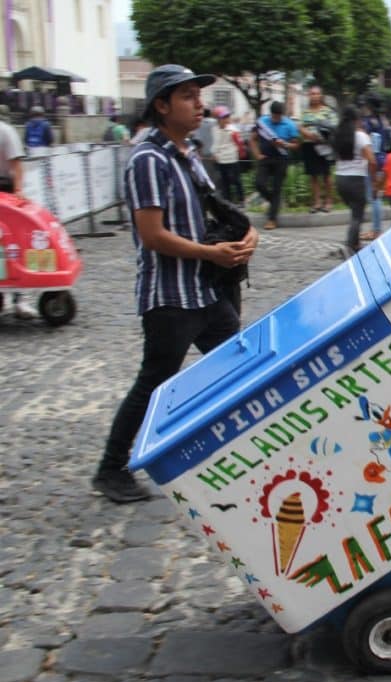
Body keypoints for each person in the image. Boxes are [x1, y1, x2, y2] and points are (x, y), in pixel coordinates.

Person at [93, 64, 259, 503]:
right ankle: (111, 468)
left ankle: (233, 453)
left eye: (197, 95)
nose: (198, 103)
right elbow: (152, 235)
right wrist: (211, 253)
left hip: (205, 292)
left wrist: (246, 235)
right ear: (161, 106)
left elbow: (214, 212)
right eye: (186, 96)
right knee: (155, 381)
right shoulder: (148, 160)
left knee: (236, 368)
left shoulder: (188, 155)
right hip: (169, 298)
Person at [0, 107, 37, 319]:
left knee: (13, 244)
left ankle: (19, 299)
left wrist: (18, 192)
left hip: (6, 189)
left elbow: (17, 165)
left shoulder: (5, 131)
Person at [333, 106, 377, 255]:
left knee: (354, 212)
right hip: (356, 179)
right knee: (357, 215)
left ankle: (355, 243)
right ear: (357, 120)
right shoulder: (360, 136)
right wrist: (374, 181)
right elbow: (372, 160)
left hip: (340, 178)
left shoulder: (338, 135)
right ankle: (350, 246)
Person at [251, 101, 300, 230]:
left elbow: (296, 144)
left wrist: (285, 145)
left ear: (282, 114)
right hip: (265, 158)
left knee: (277, 187)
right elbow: (252, 139)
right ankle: (274, 202)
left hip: (281, 158)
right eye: (274, 116)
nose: (276, 118)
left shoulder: (289, 124)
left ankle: (272, 219)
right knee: (259, 183)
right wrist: (257, 155)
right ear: (271, 113)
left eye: (279, 116)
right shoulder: (262, 122)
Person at [299, 85, 338, 213]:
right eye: (311, 94)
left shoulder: (327, 111)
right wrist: (308, 134)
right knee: (313, 176)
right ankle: (316, 202)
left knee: (326, 175)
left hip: (324, 146)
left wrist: (323, 136)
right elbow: (300, 126)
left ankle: (328, 202)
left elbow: (334, 126)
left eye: (316, 94)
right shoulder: (305, 112)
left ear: (321, 96)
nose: (314, 96)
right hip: (309, 145)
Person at [362, 95, 391, 235]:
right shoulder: (384, 122)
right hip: (383, 159)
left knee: (373, 196)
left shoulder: (368, 123)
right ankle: (376, 228)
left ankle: (376, 230)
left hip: (372, 161)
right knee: (377, 195)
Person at [212, 106, 244, 203]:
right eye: (223, 117)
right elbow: (215, 143)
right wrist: (214, 153)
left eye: (227, 116)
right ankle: (228, 201)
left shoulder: (233, 130)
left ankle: (241, 200)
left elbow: (239, 143)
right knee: (225, 182)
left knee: (236, 180)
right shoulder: (214, 129)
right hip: (221, 159)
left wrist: (240, 152)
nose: (226, 119)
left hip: (232, 158)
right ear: (218, 119)